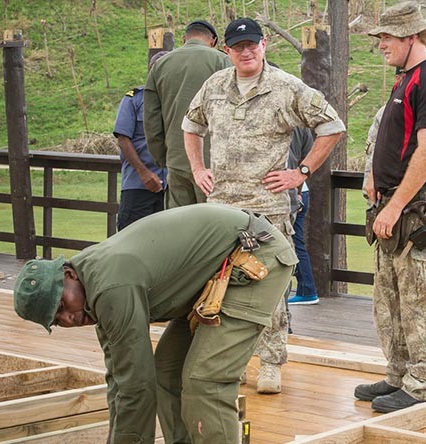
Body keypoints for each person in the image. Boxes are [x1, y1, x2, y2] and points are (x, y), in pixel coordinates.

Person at [12, 203, 297, 444]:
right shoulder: (91, 285)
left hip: (255, 258)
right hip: (211, 277)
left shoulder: (110, 287)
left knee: (205, 382)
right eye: (57, 321)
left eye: (62, 305)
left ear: (68, 275)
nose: (69, 318)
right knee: (166, 373)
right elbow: (120, 379)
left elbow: (136, 387)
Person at [181, 18, 345, 394]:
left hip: (267, 209)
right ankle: (231, 362)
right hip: (220, 209)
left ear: (265, 44)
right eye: (238, 47)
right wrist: (198, 168)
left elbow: (332, 126)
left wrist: (301, 172)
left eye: (252, 44)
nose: (246, 51)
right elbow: (191, 126)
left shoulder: (286, 88)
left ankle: (271, 363)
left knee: (270, 290)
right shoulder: (215, 86)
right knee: (218, 289)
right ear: (227, 51)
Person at [354, 1, 426, 413]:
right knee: (391, 296)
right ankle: (398, 374)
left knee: (420, 298)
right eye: (381, 37)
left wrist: (395, 206)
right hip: (396, 204)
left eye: (387, 37)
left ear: (412, 37)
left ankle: (420, 383)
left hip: (415, 208)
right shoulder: (407, 78)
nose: (381, 44)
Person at [363, 104, 426, 339]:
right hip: (387, 198)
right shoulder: (385, 113)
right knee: (392, 262)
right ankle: (399, 322)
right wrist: (371, 188)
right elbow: (372, 152)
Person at [144, 20, 231, 209]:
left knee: (180, 228)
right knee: (214, 227)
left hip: (176, 160)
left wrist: (164, 158)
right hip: (214, 163)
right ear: (213, 41)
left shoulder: (160, 65)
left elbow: (151, 121)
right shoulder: (222, 61)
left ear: (184, 39)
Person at [113, 51, 169, 231]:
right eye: (157, 69)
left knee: (167, 244)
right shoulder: (134, 99)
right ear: (149, 71)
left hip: (171, 188)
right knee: (129, 239)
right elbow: (123, 138)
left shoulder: (178, 100)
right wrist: (143, 173)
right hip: (138, 184)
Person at [287, 127, 320, 305]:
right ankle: (306, 289)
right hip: (300, 192)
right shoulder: (302, 127)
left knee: (294, 243)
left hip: (295, 195)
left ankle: (307, 290)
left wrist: (297, 194)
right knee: (295, 242)